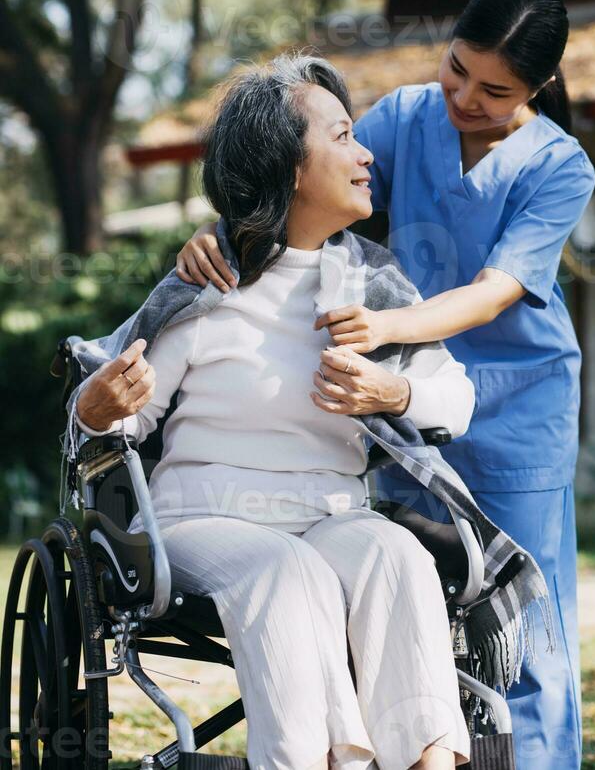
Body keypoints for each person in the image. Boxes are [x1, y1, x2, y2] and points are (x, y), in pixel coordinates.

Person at [176, 0, 595, 770]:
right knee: (409, 606)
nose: (465, 98)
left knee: (526, 631)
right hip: (395, 408)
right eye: (456, 69)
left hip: (517, 407)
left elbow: (493, 292)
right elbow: (304, 178)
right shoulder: (406, 117)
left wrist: (386, 327)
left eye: (495, 89)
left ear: (538, 88)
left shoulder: (560, 166)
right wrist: (218, 230)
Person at [75, 55, 475, 770]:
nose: (365, 153)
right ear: (289, 167)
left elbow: (457, 398)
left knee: (398, 557)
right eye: (344, 136)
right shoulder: (208, 281)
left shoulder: (374, 285)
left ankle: (429, 761)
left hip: (330, 517)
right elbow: (120, 419)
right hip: (203, 520)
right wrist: (99, 406)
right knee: (286, 569)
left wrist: (396, 394)